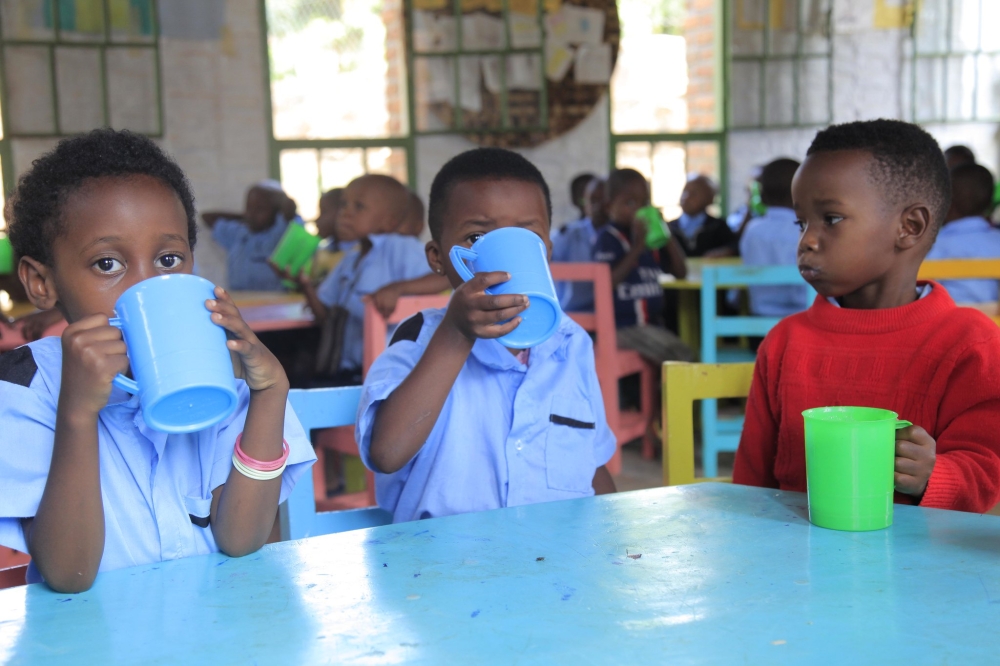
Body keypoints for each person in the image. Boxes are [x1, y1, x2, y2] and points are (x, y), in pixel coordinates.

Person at [0, 129, 315, 592]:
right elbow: (70, 573)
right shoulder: (25, 386)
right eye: (107, 264)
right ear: (41, 282)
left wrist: (270, 394)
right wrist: (78, 412)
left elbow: (241, 538)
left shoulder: (219, 374)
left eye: (168, 259)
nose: (146, 289)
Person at [734, 119, 1000, 513]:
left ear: (909, 227)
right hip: (793, 564)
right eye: (801, 222)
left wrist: (935, 473)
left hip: (922, 566)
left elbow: (987, 474)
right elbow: (751, 485)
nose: (806, 240)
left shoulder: (971, 344)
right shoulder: (785, 341)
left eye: (832, 219)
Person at [356, 148, 616, 523]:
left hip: (554, 563)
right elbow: (387, 453)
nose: (503, 259)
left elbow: (589, 463)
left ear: (546, 252)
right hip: (444, 567)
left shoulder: (570, 343)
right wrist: (457, 334)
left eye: (526, 237)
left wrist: (616, 538)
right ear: (438, 258)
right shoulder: (420, 338)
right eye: (477, 236)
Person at [299, 174, 437, 385]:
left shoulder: (398, 247)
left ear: (388, 221)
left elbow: (443, 275)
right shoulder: (351, 258)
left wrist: (397, 289)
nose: (345, 213)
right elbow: (325, 315)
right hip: (346, 370)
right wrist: (305, 285)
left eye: (359, 207)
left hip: (387, 375)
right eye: (344, 204)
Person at [592, 168, 693, 364]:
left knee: (677, 352)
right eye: (629, 203)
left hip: (651, 326)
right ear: (609, 207)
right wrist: (637, 247)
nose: (638, 209)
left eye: (644, 203)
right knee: (683, 356)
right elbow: (606, 283)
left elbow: (681, 273)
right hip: (624, 327)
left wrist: (667, 236)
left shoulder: (649, 240)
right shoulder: (609, 238)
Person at [739, 158, 810, 316]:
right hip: (805, 320)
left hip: (760, 320)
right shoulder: (806, 229)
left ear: (762, 195)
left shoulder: (751, 230)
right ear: (803, 191)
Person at [203, 180, 298, 292]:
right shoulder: (238, 233)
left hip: (274, 305)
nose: (251, 214)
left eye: (260, 209)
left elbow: (290, 207)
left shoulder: (282, 235)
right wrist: (246, 217)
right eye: (249, 207)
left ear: (276, 212)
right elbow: (207, 217)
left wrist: (282, 205)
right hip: (241, 304)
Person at [926, 163, 1000, 302]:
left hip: (950, 321)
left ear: (947, 203)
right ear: (990, 205)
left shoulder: (932, 246)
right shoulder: (997, 241)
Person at [552, 177, 606, 311]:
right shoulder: (569, 234)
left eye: (604, 200)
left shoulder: (623, 235)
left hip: (616, 316)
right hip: (574, 314)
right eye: (592, 201)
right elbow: (545, 260)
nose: (598, 207)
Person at [669, 175, 736, 257]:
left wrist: (726, 251)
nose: (686, 197)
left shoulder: (718, 226)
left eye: (693, 193)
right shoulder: (668, 227)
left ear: (710, 199)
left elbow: (734, 246)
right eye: (684, 191)